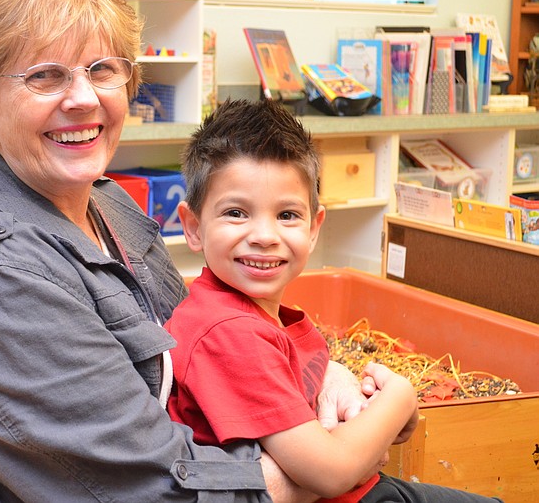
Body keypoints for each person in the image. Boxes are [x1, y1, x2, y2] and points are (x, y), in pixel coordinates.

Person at [0, 0, 371, 502]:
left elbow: (201, 351)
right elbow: (164, 489)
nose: (83, 99)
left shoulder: (105, 203)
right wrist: (335, 452)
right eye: (46, 76)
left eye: (102, 69)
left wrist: (329, 382)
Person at [164, 98, 503, 503]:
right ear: (193, 227)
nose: (264, 235)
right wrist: (400, 397)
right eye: (236, 212)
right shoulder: (226, 332)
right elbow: (330, 472)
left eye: (287, 215)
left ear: (314, 227)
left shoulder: (248, 313)